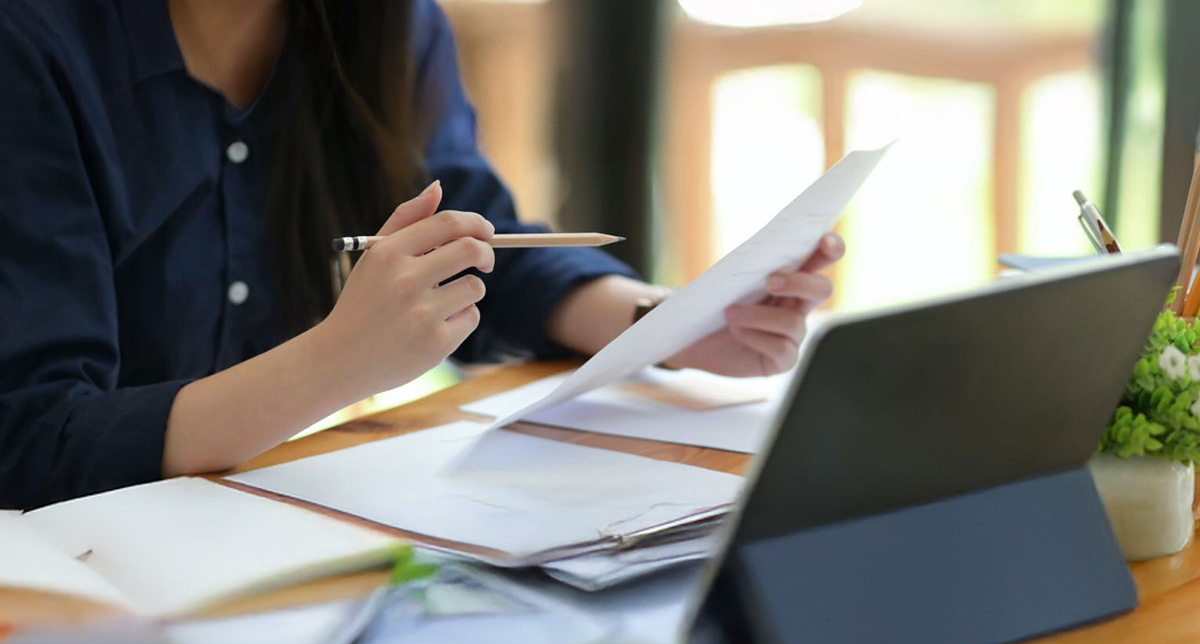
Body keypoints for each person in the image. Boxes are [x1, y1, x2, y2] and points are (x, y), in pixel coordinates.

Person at [0, 0, 843, 509]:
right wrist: (337, 362)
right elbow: (32, 438)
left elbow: (484, 254)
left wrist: (672, 324)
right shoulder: (32, 44)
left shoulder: (388, 24)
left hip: (260, 532)